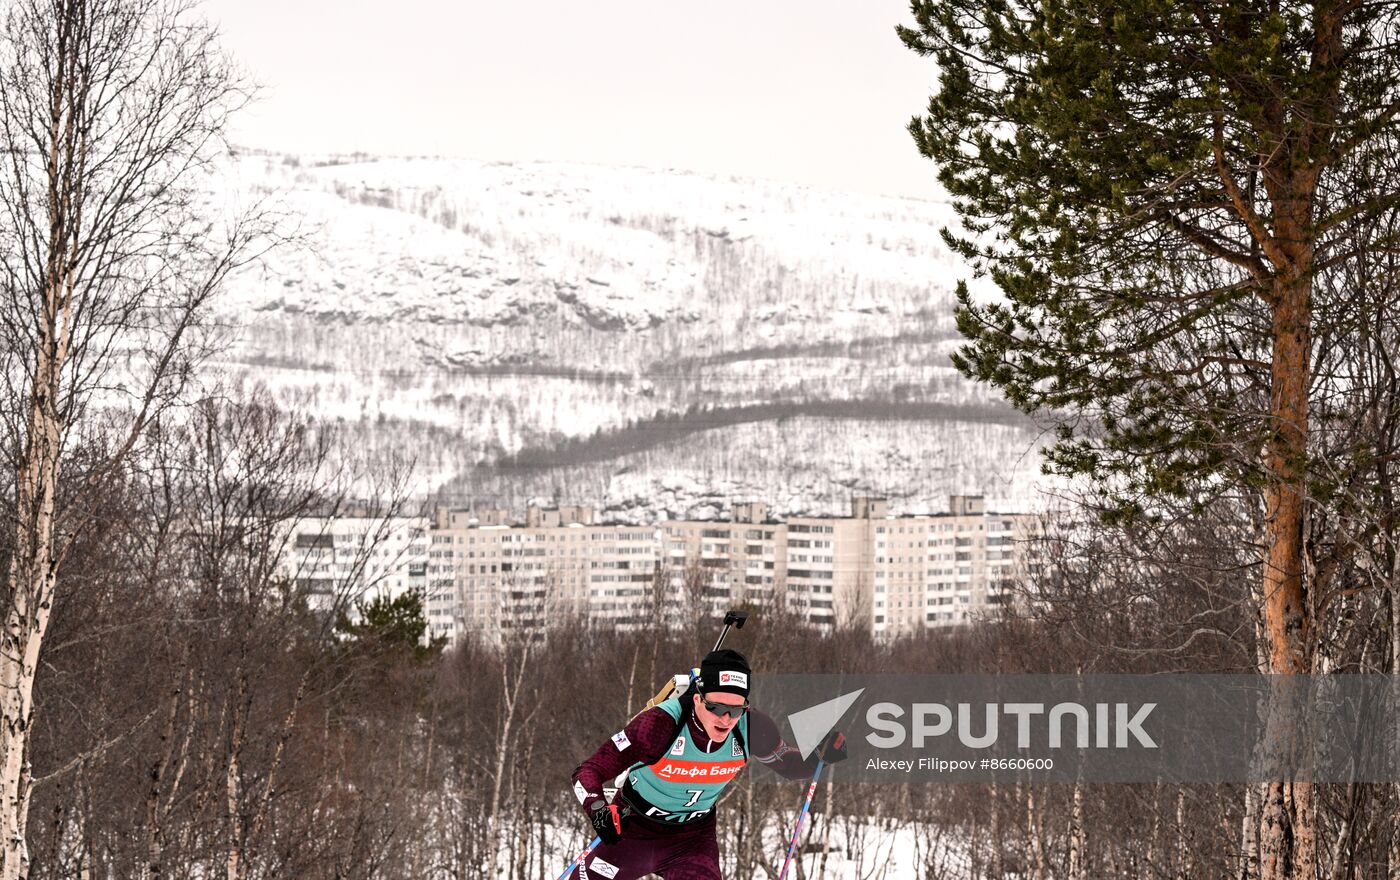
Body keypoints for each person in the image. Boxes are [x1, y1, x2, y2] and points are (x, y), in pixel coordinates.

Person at [569, 648, 846, 880]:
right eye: (716, 707)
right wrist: (598, 809)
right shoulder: (661, 725)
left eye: (735, 710)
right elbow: (588, 770)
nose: (725, 719)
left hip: (691, 840)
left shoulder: (751, 727)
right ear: (699, 698)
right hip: (633, 830)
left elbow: (790, 765)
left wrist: (822, 755)